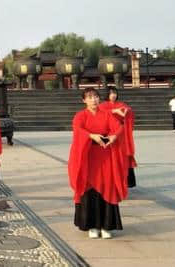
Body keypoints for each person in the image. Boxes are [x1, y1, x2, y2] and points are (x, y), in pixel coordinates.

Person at [68, 87, 128, 239]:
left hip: (105, 154)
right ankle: (92, 225)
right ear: (84, 100)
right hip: (88, 156)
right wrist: (91, 135)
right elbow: (77, 129)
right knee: (90, 189)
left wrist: (113, 137)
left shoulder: (106, 114)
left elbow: (118, 127)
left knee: (107, 186)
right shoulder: (80, 116)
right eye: (89, 97)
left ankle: (107, 225)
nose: (93, 100)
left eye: (95, 96)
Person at [99, 87, 137, 188]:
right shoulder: (102, 105)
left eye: (115, 93)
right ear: (107, 94)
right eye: (111, 93)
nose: (113, 95)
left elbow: (128, 111)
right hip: (107, 133)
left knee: (122, 159)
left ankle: (123, 182)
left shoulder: (121, 104)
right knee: (109, 159)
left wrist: (127, 111)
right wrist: (114, 111)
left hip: (120, 135)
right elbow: (100, 114)